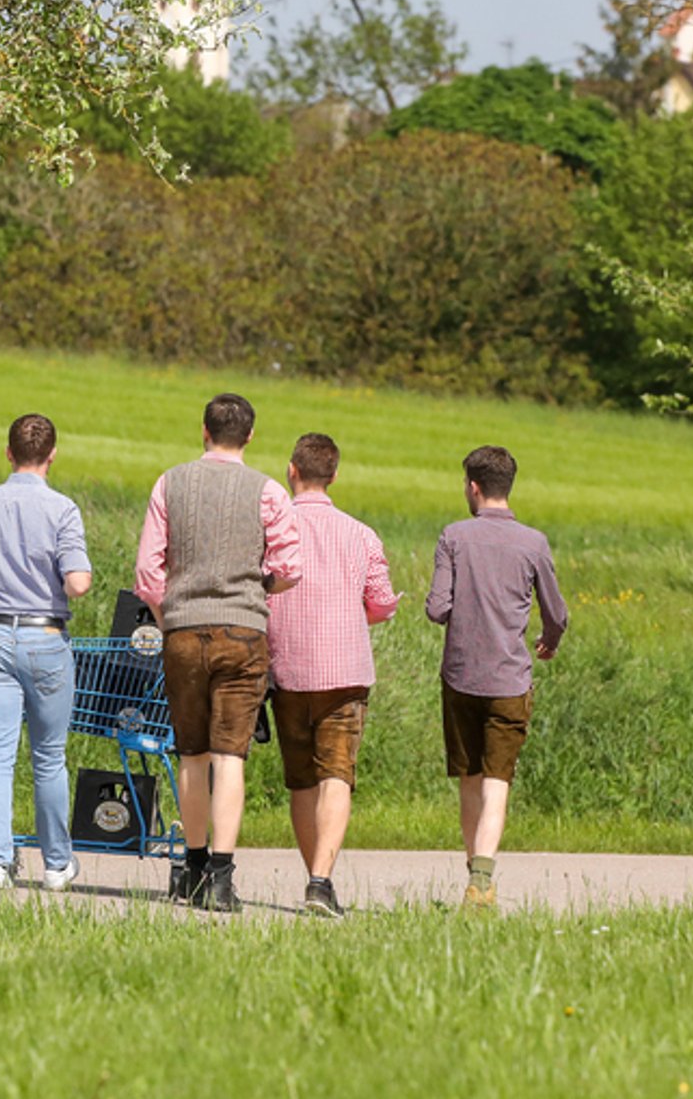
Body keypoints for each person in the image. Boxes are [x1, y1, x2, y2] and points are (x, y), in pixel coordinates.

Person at [134, 393, 302, 912]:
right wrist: (255, 590)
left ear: (203, 430)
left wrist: (171, 618)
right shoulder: (270, 491)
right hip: (244, 633)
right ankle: (223, 881)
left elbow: (148, 573)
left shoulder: (170, 481)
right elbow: (290, 568)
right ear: (250, 436)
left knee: (191, 754)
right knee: (230, 756)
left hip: (184, 631)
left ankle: (193, 864)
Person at [0, 413, 93, 892]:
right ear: (53, 455)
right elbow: (77, 584)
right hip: (44, 637)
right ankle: (56, 865)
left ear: (8, 453)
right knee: (49, 757)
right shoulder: (63, 509)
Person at [425, 445, 567, 913]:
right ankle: (482, 880)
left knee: (469, 777)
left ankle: (477, 879)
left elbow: (437, 609)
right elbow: (556, 614)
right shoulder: (534, 543)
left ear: (473, 486)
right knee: (497, 781)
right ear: (509, 485)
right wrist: (548, 640)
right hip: (509, 678)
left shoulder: (454, 536)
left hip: (462, 676)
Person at [265, 433, 399, 919]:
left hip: (287, 668)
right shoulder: (361, 534)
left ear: (291, 471)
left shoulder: (273, 532)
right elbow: (381, 604)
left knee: (301, 780)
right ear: (334, 475)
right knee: (337, 775)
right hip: (344, 671)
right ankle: (320, 882)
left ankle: (316, 879)